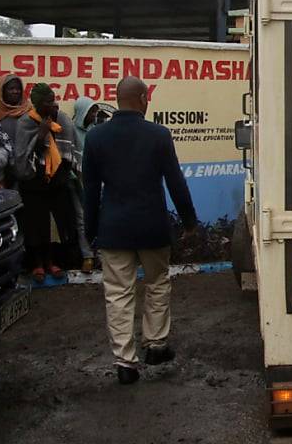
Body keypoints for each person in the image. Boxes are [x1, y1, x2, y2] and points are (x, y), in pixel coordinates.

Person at [84, 77, 197, 385]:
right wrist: (189, 221)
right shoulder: (158, 135)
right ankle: (156, 345)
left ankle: (125, 363)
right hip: (152, 228)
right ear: (144, 98)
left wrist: (91, 230)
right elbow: (176, 181)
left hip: (113, 229)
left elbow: (90, 190)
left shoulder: (96, 137)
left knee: (118, 294)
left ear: (118, 99)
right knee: (158, 283)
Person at [14, 83, 77, 282]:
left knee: (54, 226)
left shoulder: (60, 120)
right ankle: (38, 264)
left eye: (53, 100)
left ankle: (53, 262)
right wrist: (41, 134)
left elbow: (68, 148)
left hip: (55, 183)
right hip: (33, 184)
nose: (53, 104)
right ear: (38, 103)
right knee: (35, 225)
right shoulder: (25, 122)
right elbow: (22, 156)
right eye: (49, 101)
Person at [71, 97, 100, 273]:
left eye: (96, 112)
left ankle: (101, 253)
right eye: (92, 112)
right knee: (81, 219)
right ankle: (87, 256)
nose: (95, 115)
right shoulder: (71, 130)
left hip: (95, 182)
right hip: (75, 182)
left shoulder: (95, 132)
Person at [0, 74, 31, 144]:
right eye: (11, 89)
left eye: (18, 89)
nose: (15, 91)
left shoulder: (28, 110)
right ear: (2, 91)